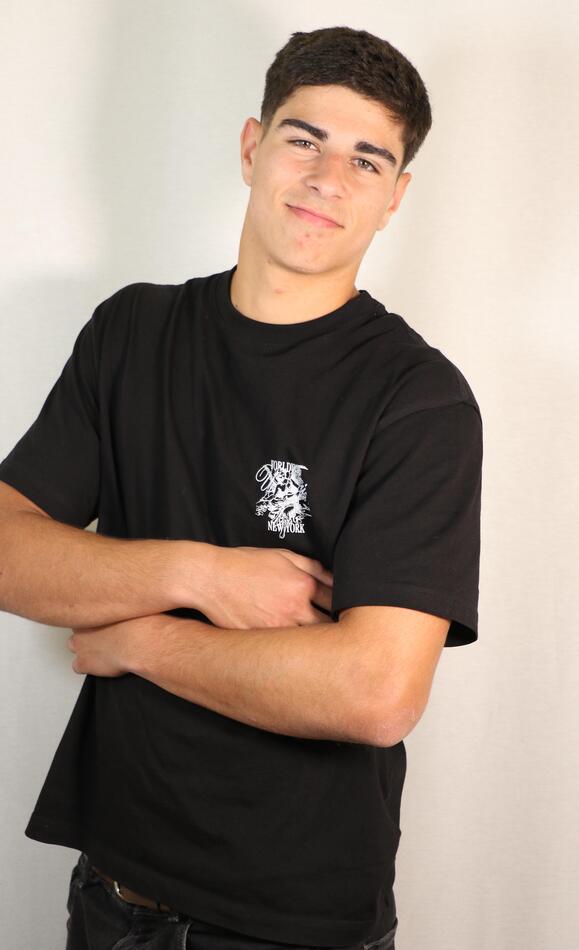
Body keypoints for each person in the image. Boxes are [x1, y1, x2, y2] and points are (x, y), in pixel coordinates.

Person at [0, 25, 483, 950]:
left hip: (292, 919)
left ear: (394, 197)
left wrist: (142, 640)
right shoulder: (132, 332)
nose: (327, 178)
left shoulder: (417, 398)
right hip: (112, 887)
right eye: (304, 139)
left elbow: (375, 691)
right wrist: (202, 576)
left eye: (366, 160)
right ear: (252, 146)